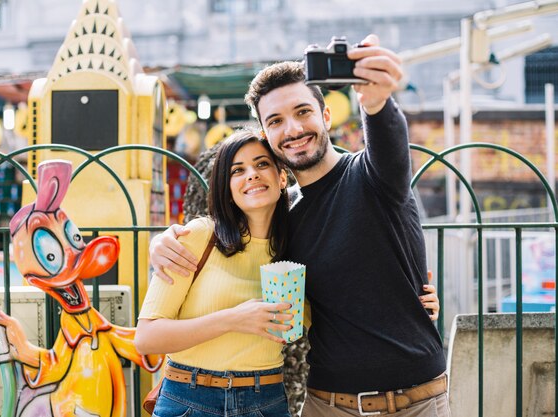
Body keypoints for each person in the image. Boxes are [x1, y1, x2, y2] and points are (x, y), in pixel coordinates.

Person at [148, 34, 449, 417]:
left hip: (415, 400)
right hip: (326, 403)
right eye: (275, 121)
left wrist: (374, 101)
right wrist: (160, 242)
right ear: (267, 136)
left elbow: (387, 135)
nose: (292, 129)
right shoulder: (280, 216)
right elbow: (224, 234)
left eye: (302, 112)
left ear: (326, 116)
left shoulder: (374, 174)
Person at [135, 130, 295, 417]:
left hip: (266, 401)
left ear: (281, 177)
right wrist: (234, 319)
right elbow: (147, 338)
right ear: (226, 187)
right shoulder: (198, 236)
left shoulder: (298, 246)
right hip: (189, 398)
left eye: (261, 164)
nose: (252, 175)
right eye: (238, 170)